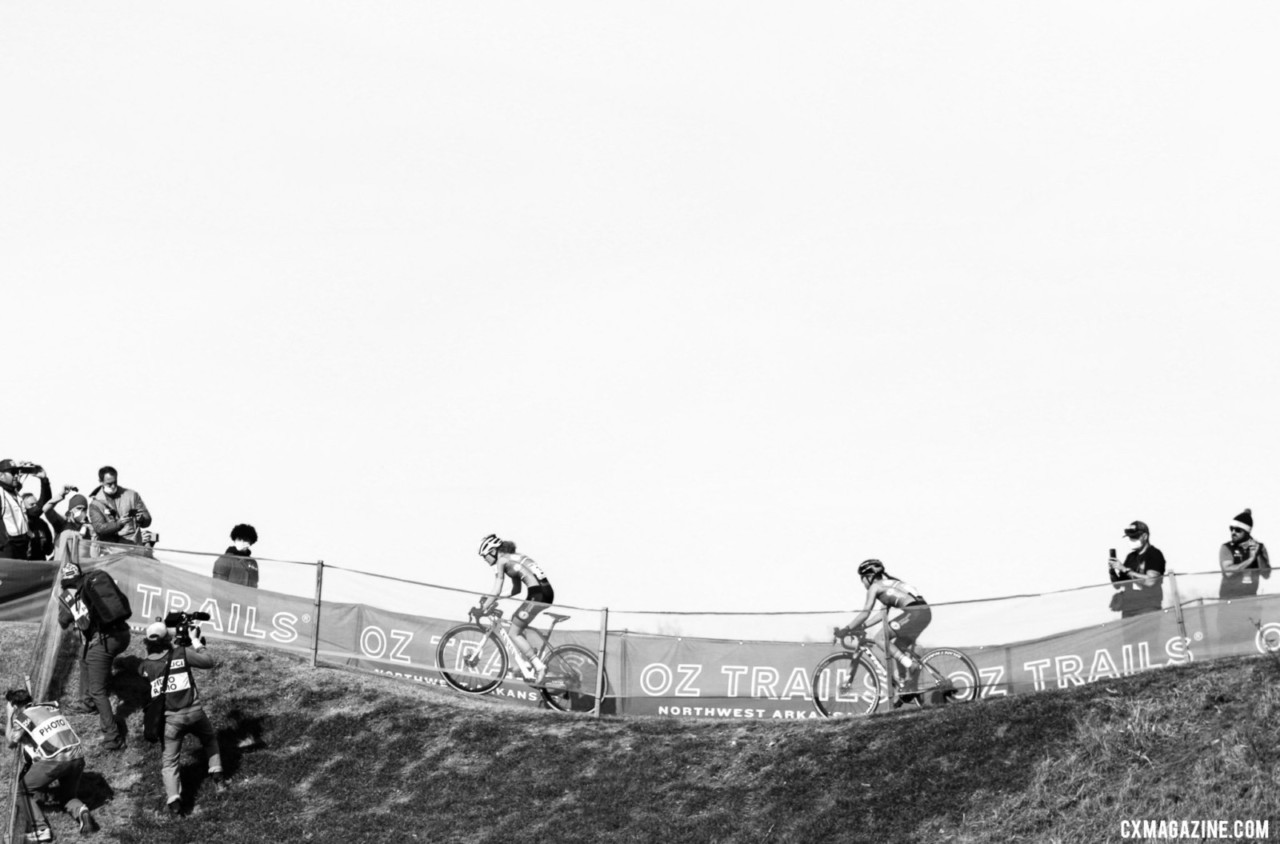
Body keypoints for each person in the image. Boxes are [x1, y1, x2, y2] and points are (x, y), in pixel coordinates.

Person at [137, 620, 225, 816]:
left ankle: (175, 801)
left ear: (147, 643)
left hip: (170, 722)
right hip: (195, 713)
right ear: (168, 639)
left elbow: (145, 670)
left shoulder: (145, 666)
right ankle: (218, 778)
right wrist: (195, 641)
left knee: (169, 763)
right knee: (209, 739)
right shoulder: (181, 653)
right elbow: (208, 661)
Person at [6, 688, 100, 839]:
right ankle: (82, 811)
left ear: (15, 705)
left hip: (55, 760)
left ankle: (41, 829)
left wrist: (10, 714)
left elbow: (11, 742)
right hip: (77, 756)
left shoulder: (23, 717)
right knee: (67, 796)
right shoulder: (49, 707)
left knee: (20, 790)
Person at [56, 563, 131, 751]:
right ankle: (87, 702)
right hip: (122, 634)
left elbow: (63, 622)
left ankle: (113, 737)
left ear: (64, 581)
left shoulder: (69, 595)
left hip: (104, 641)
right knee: (84, 656)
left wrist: (66, 605)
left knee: (99, 691)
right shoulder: (91, 583)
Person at [836, 559, 932, 702]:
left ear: (869, 576)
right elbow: (881, 615)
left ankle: (911, 666)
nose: (863, 583)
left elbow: (865, 613)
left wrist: (846, 629)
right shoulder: (890, 584)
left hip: (914, 613)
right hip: (925, 613)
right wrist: (862, 627)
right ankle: (908, 686)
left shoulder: (875, 587)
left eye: (862, 579)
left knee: (879, 638)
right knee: (899, 646)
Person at [477, 534, 555, 683]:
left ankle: (539, 667)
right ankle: (527, 660)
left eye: (485, 556)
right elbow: (516, 590)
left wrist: (484, 606)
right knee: (515, 620)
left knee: (513, 633)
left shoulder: (501, 561)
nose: (485, 560)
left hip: (537, 595)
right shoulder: (513, 557)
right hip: (545, 593)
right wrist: (495, 599)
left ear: (493, 551)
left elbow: (497, 589)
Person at [1108, 520, 1167, 618]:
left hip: (1148, 608)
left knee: (1148, 633)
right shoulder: (1131, 557)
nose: (1131, 540)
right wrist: (1112, 571)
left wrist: (1124, 569)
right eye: (1130, 537)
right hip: (1128, 610)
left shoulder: (1154, 554)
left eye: (1135, 537)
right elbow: (1117, 585)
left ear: (1145, 536)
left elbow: (1150, 581)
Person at [88, 466, 152, 547]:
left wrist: (142, 519)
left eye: (115, 482)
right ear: (101, 482)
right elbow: (99, 528)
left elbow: (148, 520)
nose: (113, 486)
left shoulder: (132, 496)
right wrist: (119, 524)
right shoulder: (95, 504)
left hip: (133, 548)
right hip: (111, 551)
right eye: (109, 484)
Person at [1219, 508, 1270, 600]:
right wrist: (1250, 560)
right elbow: (1229, 572)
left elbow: (1266, 574)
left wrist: (1258, 555)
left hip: (1250, 600)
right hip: (1228, 601)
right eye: (1231, 529)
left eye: (1238, 530)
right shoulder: (1227, 547)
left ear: (1247, 532)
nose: (1233, 532)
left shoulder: (1259, 547)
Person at [0, 459, 34, 559]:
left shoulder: (16, 494)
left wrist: (44, 482)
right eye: (12, 472)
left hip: (21, 547)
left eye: (17, 472)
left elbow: (36, 511)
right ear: (1, 475)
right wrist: (4, 543)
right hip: (7, 548)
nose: (16, 475)